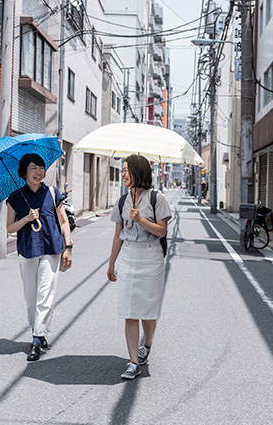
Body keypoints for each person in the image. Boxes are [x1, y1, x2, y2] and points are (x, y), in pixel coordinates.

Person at [107, 155, 171, 380]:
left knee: (148, 310)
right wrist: (111, 262)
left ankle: (148, 343)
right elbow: (118, 236)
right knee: (130, 311)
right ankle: (133, 362)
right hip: (128, 256)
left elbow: (161, 231)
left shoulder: (157, 198)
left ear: (138, 172)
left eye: (126, 170)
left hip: (151, 257)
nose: (123, 174)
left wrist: (141, 219)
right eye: (122, 170)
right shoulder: (122, 201)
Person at [6, 153, 72, 361]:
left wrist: (68, 246)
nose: (39, 172)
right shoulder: (15, 197)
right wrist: (26, 218)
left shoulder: (52, 193)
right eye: (34, 167)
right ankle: (38, 328)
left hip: (52, 249)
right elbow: (9, 228)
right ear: (24, 172)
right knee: (31, 297)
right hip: (27, 250)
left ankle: (37, 338)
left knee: (46, 293)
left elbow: (63, 221)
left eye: (42, 168)